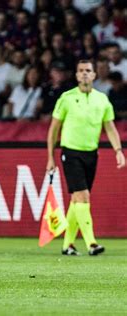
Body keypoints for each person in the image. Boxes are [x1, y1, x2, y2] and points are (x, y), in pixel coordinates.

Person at [46, 59, 125, 256]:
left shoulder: (102, 99)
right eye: (80, 70)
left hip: (91, 153)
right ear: (76, 75)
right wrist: (50, 157)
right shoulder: (66, 98)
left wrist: (118, 150)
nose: (84, 74)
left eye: (88, 71)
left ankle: (67, 245)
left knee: (77, 199)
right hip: (71, 152)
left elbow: (110, 127)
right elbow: (53, 129)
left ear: (94, 75)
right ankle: (91, 243)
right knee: (83, 196)